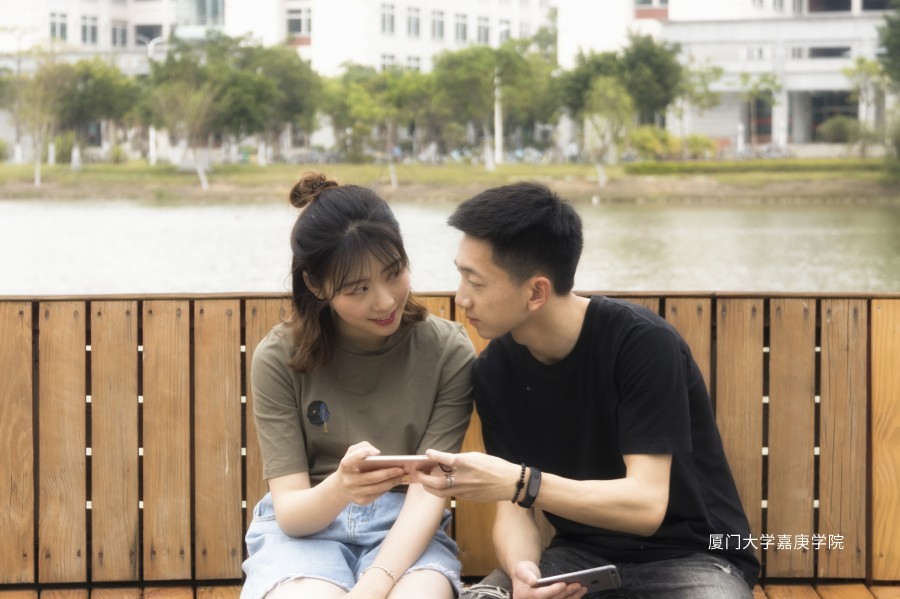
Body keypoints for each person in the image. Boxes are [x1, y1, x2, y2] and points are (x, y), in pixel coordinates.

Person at [418, 181, 760, 599]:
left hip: (695, 557)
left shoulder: (642, 343)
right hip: (579, 558)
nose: (461, 298)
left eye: (476, 282)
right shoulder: (494, 372)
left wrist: (523, 483)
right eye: (461, 276)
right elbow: (514, 512)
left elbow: (646, 506)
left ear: (536, 292)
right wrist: (523, 572)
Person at [242, 172, 475, 599]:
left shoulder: (448, 351)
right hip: (306, 530)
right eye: (358, 289)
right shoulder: (279, 358)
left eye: (394, 272)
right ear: (315, 285)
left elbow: (426, 496)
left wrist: (372, 585)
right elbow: (291, 511)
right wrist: (341, 487)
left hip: (405, 529)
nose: (385, 300)